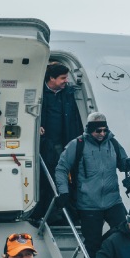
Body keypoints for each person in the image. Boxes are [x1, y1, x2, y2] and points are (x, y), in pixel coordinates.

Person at [55, 111, 130, 258]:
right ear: (90, 130)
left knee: (125, 232)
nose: (101, 134)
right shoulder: (78, 145)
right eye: (98, 131)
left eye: (104, 130)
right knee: (92, 245)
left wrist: (128, 163)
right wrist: (64, 192)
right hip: (88, 204)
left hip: (113, 200)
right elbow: (61, 169)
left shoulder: (113, 143)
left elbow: (123, 163)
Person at [34, 63, 83, 226]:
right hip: (47, 143)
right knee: (50, 178)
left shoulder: (67, 93)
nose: (66, 81)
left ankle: (63, 213)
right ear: (51, 78)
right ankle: (49, 213)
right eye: (63, 78)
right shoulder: (39, 94)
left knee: (65, 178)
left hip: (65, 143)